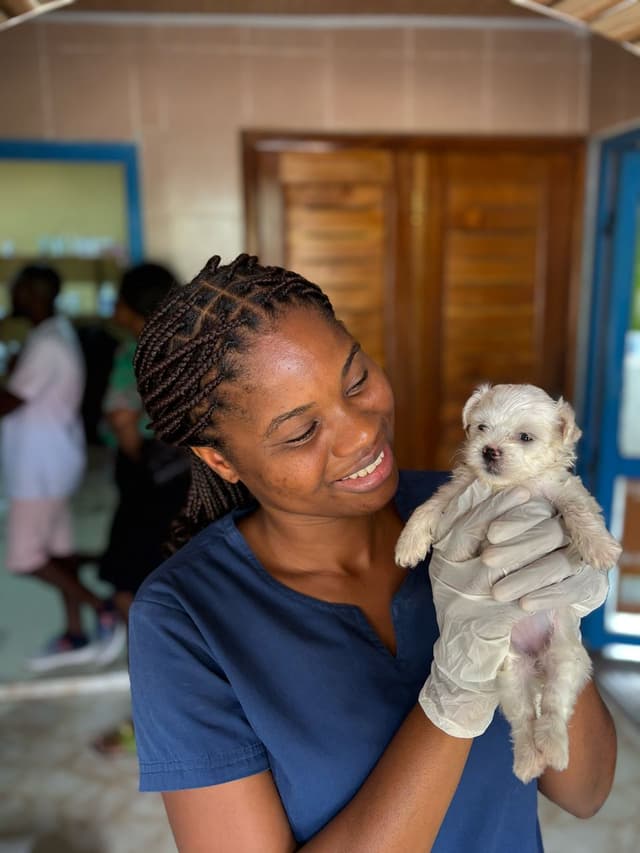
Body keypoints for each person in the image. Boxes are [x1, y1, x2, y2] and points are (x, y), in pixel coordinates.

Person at [128, 254, 616, 852]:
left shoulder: (478, 516)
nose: (362, 432)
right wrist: (453, 694)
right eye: (301, 431)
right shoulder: (185, 618)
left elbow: (585, 790)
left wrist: (552, 621)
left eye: (356, 380)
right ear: (221, 460)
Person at [0, 264, 124, 672]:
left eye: (17, 289)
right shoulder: (49, 335)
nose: (12, 295)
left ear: (34, 293)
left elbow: (9, 401)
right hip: (52, 459)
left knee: (24, 557)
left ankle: (103, 609)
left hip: (39, 467)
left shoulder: (47, 343)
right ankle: (75, 633)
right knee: (58, 554)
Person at [92, 262, 191, 753]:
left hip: (151, 491)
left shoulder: (133, 352)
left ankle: (148, 725)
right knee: (189, 597)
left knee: (138, 602)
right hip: (199, 484)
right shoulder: (192, 342)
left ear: (129, 306)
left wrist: (137, 465)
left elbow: (124, 421)